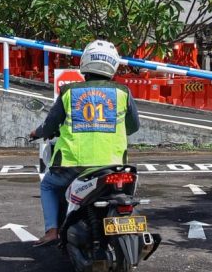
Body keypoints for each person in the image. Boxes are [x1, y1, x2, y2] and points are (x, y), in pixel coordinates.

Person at [29, 39, 140, 247]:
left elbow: (51, 125)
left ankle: (52, 230)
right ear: (113, 65)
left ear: (85, 63)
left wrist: (37, 132)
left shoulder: (70, 92)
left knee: (48, 186)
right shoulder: (122, 92)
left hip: (73, 166)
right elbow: (133, 127)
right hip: (113, 166)